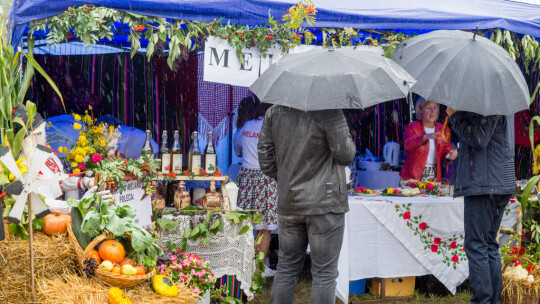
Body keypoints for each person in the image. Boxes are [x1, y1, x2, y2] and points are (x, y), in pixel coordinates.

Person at [258, 106, 355, 304]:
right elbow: (345, 155)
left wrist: (287, 180)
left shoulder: (274, 112)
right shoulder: (330, 110)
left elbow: (265, 157)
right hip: (325, 203)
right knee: (324, 273)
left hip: (291, 201)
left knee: (287, 267)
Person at [447, 107, 515, 304]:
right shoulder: (497, 97)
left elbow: (479, 139)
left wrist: (456, 116)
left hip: (485, 182)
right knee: (489, 245)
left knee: (477, 245)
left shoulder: (485, 100)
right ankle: (493, 301)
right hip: (497, 179)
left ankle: (482, 301)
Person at [14, 105, 112, 214]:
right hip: (45, 220)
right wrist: (80, 204)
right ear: (28, 140)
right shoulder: (24, 166)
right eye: (40, 134)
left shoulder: (47, 155)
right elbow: (44, 203)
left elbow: (58, 180)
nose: (45, 136)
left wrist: (86, 182)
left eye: (43, 131)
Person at [233, 95, 277, 277]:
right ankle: (259, 267)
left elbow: (237, 151)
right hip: (266, 176)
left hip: (247, 176)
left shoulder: (244, 128)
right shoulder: (270, 127)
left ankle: (244, 265)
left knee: (246, 223)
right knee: (264, 226)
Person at [400, 97, 458, 182]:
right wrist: (424, 137)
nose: (432, 111)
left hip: (433, 175)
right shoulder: (412, 127)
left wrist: (450, 155)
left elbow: (445, 155)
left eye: (435, 108)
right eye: (428, 108)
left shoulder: (444, 129)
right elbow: (407, 145)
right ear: (420, 110)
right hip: (413, 176)